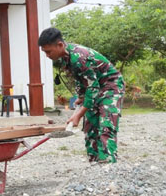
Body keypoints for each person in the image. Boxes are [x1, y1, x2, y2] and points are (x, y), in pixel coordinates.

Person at [38, 27, 124, 163]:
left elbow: (93, 87)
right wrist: (81, 97)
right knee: (90, 127)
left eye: (48, 51)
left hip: (110, 86)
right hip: (95, 86)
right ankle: (94, 162)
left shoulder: (79, 57)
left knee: (106, 124)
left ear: (60, 45)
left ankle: (108, 163)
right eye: (45, 52)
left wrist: (78, 114)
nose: (47, 55)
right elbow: (81, 79)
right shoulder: (66, 57)